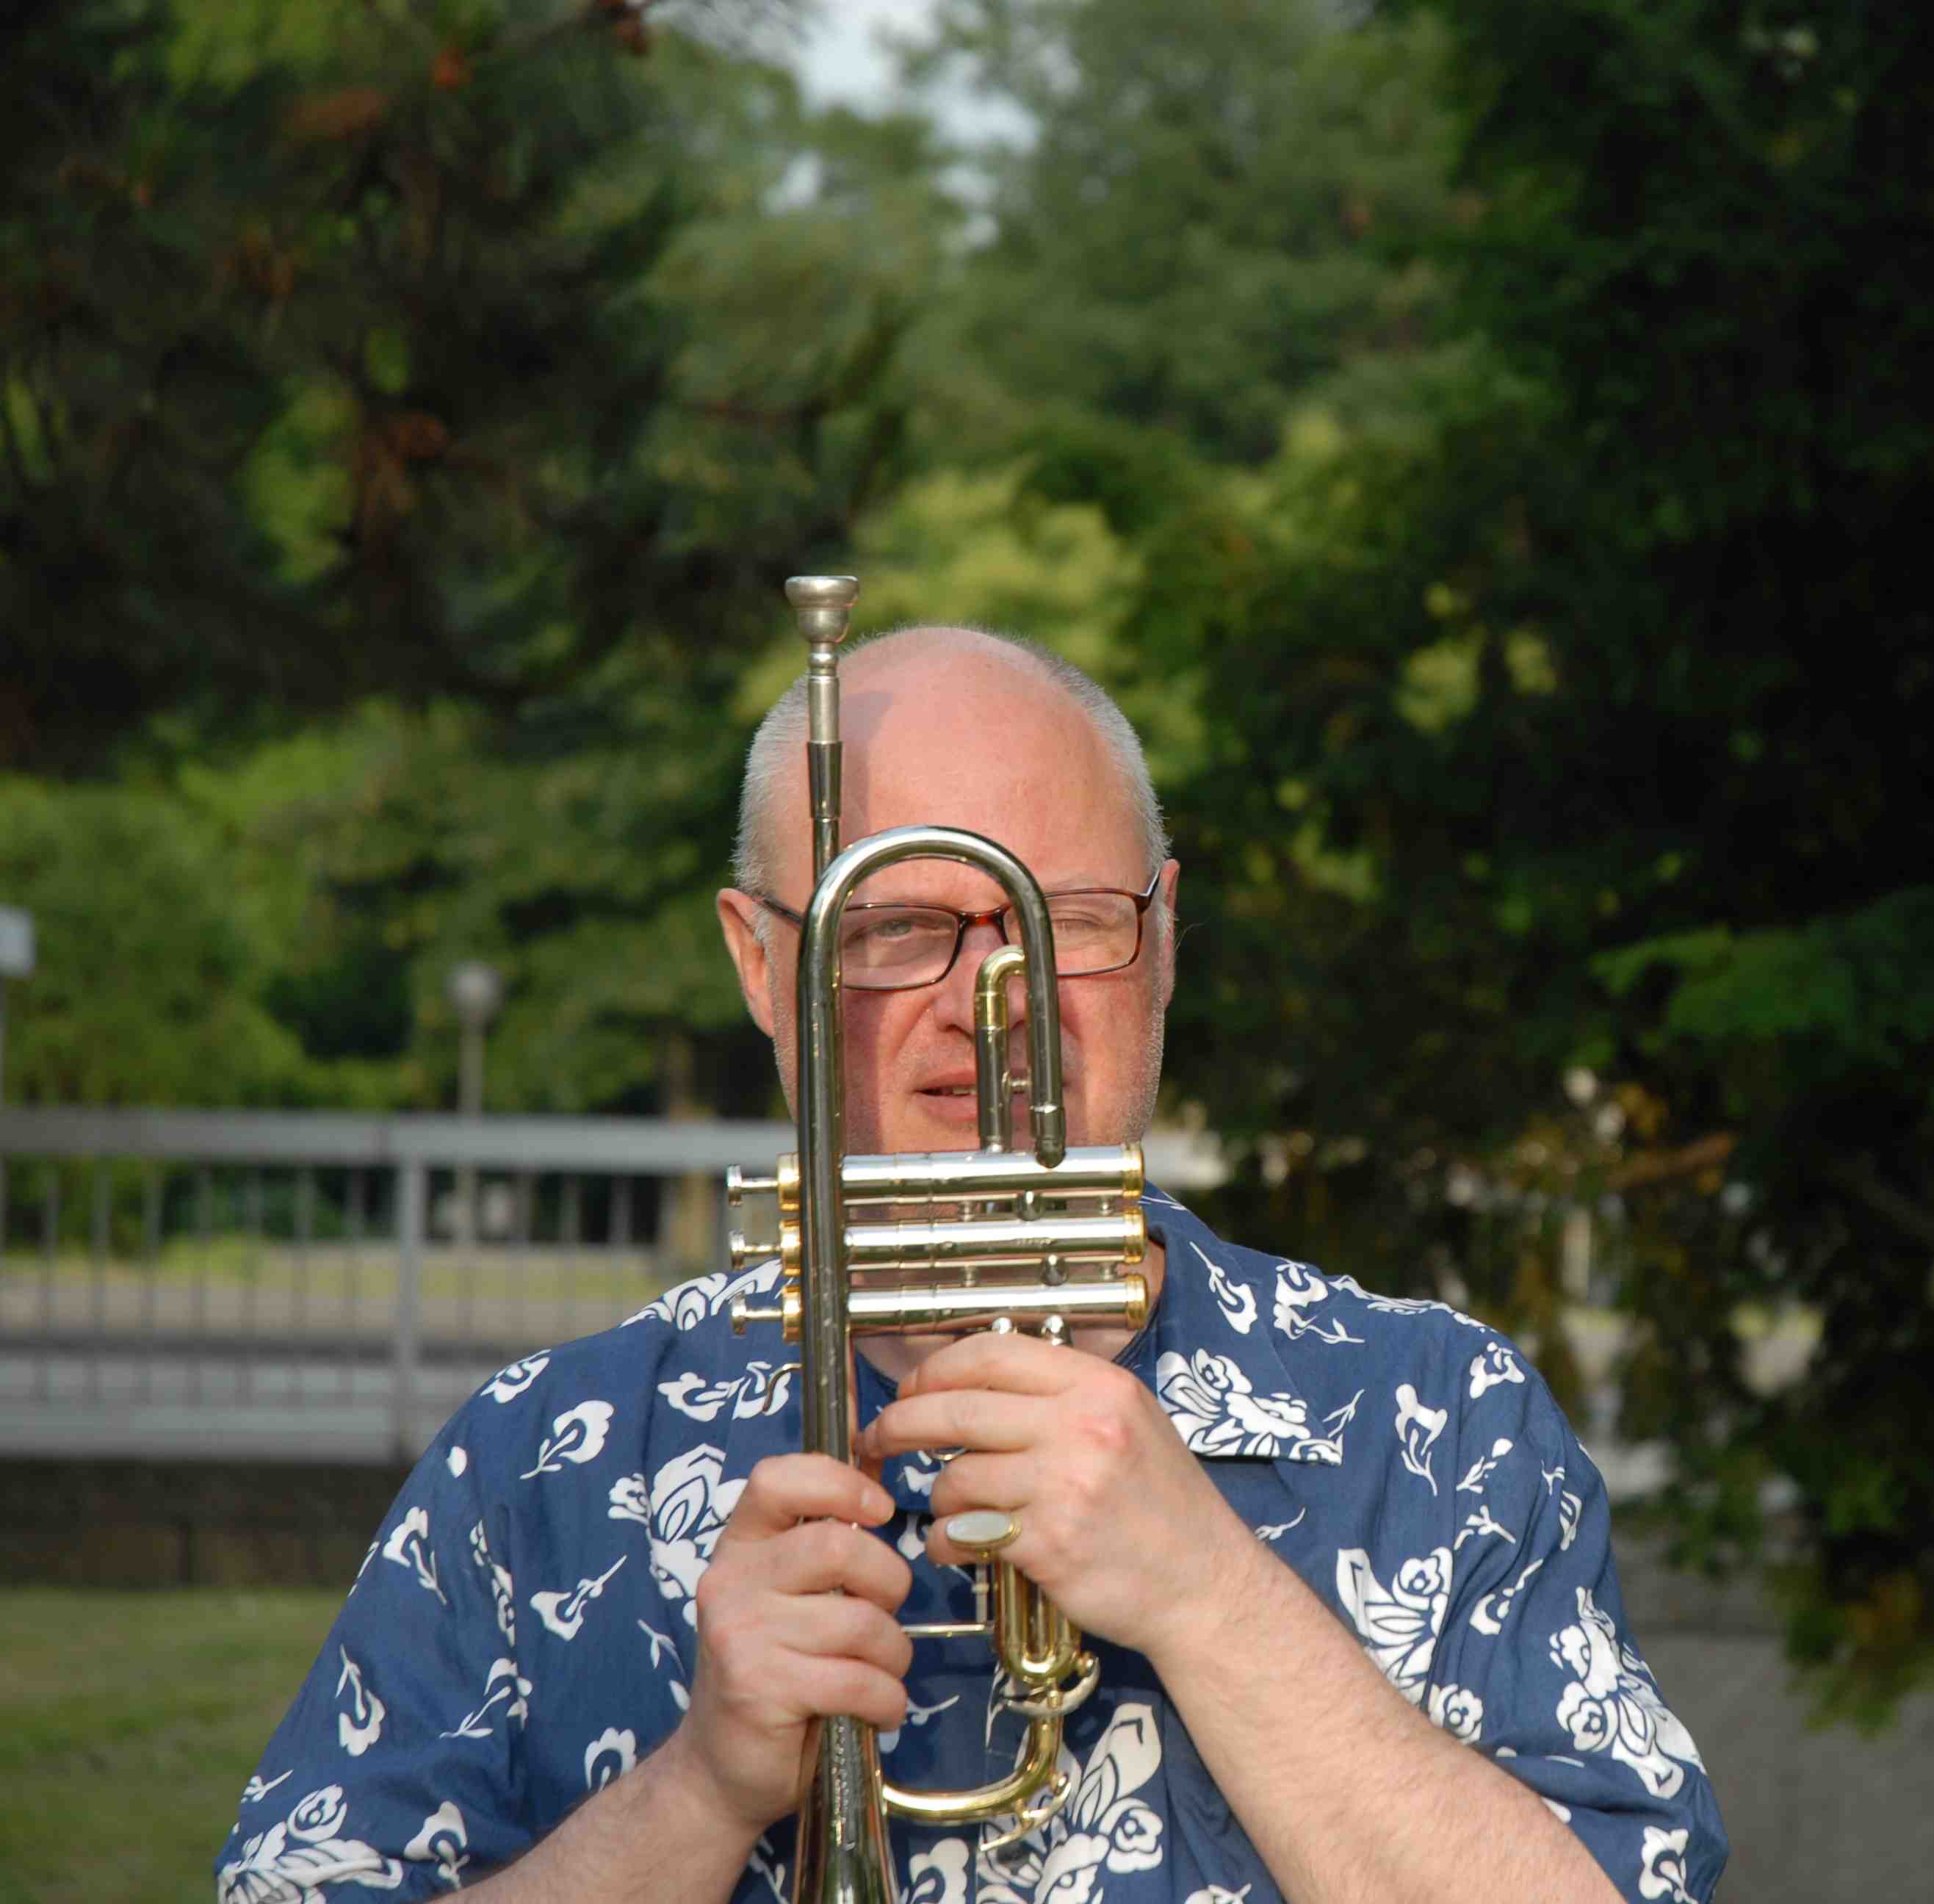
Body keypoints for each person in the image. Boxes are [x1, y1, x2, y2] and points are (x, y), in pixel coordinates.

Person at [218, 628, 1726, 1904]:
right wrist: (698, 1791)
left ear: (1167, 936)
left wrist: (1211, 1598)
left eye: (1069, 925)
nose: (993, 1004)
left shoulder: (1442, 1417)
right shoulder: (543, 1461)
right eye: (897, 932)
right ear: (762, 964)